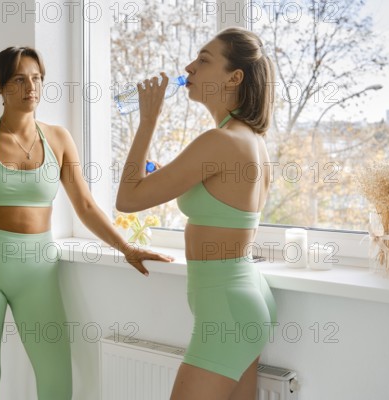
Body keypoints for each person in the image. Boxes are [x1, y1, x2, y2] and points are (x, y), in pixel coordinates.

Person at [0, 46, 173, 400]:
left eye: (37, 78)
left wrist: (126, 247)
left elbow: (87, 207)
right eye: (19, 79)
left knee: (56, 380)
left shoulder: (59, 139)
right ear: (0, 86)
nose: (31, 87)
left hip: (38, 269)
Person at [116, 27, 277, 400]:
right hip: (244, 297)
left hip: (226, 307)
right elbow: (218, 196)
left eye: (204, 60)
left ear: (234, 77)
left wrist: (148, 120)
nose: (190, 66)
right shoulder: (249, 139)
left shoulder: (219, 141)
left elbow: (127, 198)